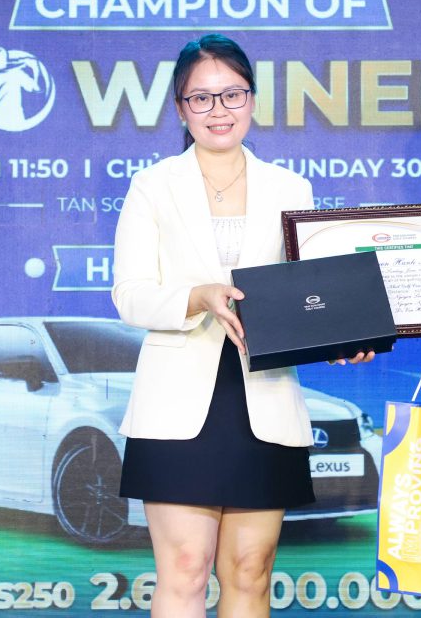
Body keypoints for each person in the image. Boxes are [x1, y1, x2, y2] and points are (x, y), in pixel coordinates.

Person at [112, 34, 370, 618]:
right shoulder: (153, 185)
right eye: (201, 98)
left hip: (265, 397)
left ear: (252, 99)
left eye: (232, 94)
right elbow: (130, 295)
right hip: (176, 406)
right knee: (184, 569)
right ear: (180, 108)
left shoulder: (291, 188)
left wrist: (341, 337)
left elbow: (310, 297)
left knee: (250, 572)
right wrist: (197, 297)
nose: (218, 110)